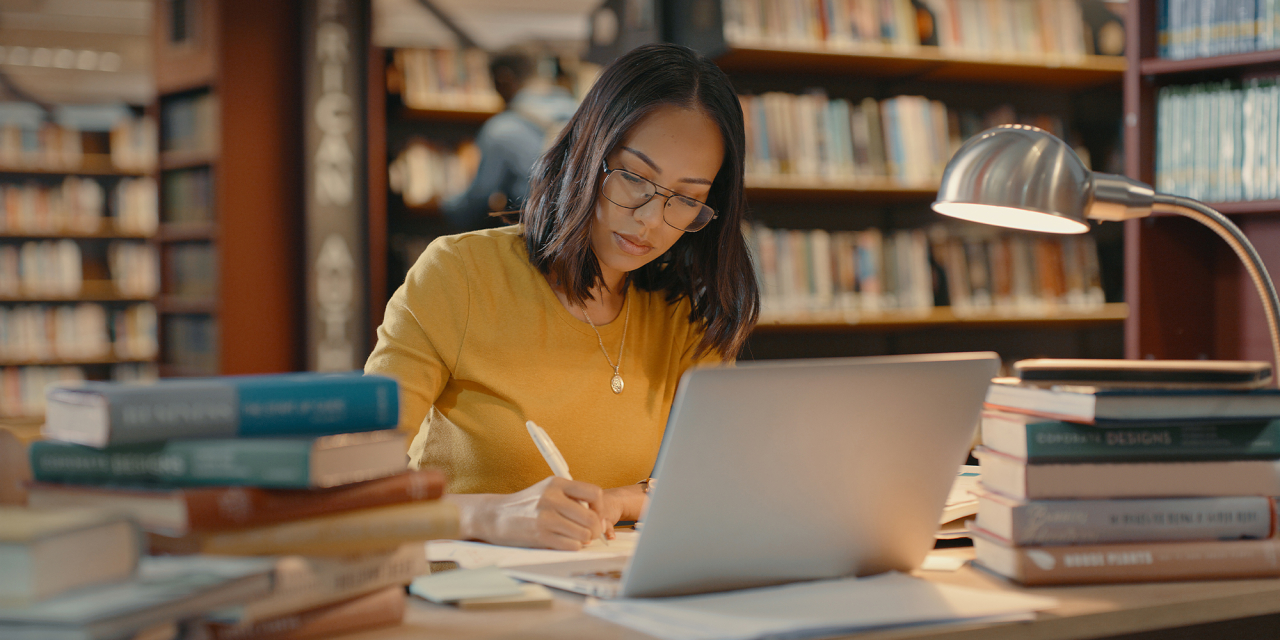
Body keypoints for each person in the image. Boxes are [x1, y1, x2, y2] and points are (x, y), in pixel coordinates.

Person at [365, 43, 759, 550]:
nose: (651, 220)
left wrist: (618, 501)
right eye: (636, 178)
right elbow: (356, 481)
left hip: (602, 592)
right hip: (464, 592)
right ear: (587, 151)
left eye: (686, 199)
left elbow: (711, 482)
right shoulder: (460, 273)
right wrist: (489, 514)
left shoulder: (687, 314)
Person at [439, 51, 579, 231]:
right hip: (582, 237)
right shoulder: (584, 112)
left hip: (536, 238)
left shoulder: (501, 129)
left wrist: (447, 206)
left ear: (503, 78)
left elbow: (476, 202)